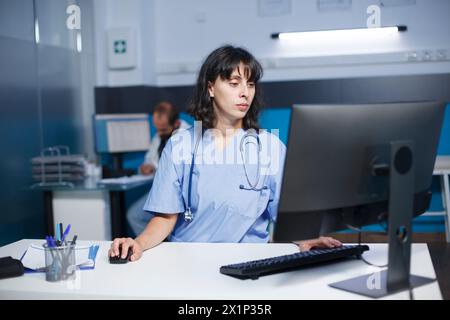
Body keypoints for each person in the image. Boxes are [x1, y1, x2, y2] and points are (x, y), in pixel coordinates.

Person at [111, 45, 341, 261]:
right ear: (210, 87)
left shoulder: (270, 147)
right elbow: (165, 216)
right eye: (234, 83)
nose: (245, 93)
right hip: (188, 261)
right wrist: (139, 243)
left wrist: (309, 238)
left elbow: (285, 216)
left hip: (249, 261)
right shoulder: (180, 145)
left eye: (250, 84)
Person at [126, 101, 189, 236]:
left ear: (176, 124)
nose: (159, 134)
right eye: (157, 129)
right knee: (134, 215)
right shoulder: (161, 135)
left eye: (163, 130)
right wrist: (147, 166)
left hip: (180, 191)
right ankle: (156, 245)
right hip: (162, 189)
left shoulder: (187, 137)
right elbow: (151, 158)